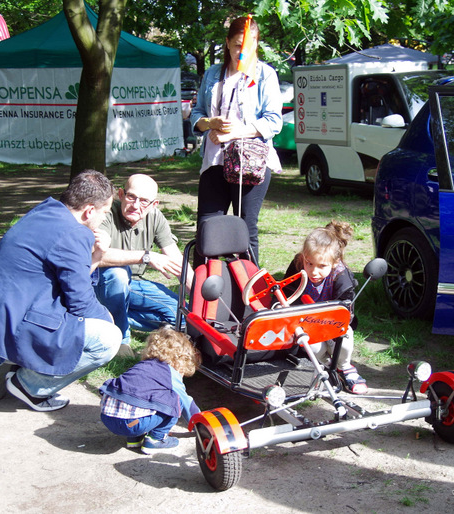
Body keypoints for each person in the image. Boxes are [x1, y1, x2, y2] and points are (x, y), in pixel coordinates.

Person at [0, 170, 122, 412]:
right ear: (89, 211)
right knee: (108, 339)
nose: (104, 219)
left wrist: (98, 256)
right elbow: (81, 303)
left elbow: (73, 281)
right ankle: (29, 385)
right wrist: (108, 319)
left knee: (83, 319)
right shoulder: (75, 233)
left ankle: (26, 364)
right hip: (9, 326)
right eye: (105, 212)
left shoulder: (47, 210)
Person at [190, 15, 283, 265]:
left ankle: (248, 288)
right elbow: (197, 114)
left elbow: (274, 121)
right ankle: (203, 286)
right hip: (215, 161)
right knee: (207, 228)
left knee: (245, 230)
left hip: (250, 164)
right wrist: (210, 123)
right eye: (237, 45)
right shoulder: (213, 74)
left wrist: (233, 133)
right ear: (227, 43)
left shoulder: (265, 75)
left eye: (249, 45)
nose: (242, 51)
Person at [94, 174, 184, 347]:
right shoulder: (105, 212)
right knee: (117, 274)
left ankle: (104, 315)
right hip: (99, 282)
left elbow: (177, 262)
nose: (136, 205)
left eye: (144, 201)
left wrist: (203, 298)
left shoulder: (155, 217)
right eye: (131, 197)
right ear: (121, 194)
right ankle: (120, 340)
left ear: (154, 204)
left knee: (182, 315)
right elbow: (96, 255)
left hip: (134, 284)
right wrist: (146, 256)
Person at [283, 220, 368, 394]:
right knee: (313, 346)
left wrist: (329, 326)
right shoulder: (297, 266)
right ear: (303, 258)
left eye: (322, 266)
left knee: (345, 338)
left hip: (333, 323)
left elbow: (346, 314)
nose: (314, 271)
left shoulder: (342, 276)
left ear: (335, 263)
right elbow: (285, 294)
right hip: (305, 323)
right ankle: (326, 364)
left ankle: (344, 366)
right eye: (309, 263)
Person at [99, 327, 201, 454]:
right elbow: (186, 402)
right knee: (176, 401)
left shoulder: (143, 366)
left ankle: (134, 439)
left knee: (140, 397)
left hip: (107, 417)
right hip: (132, 423)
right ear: (181, 359)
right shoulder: (169, 372)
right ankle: (156, 440)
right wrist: (200, 426)